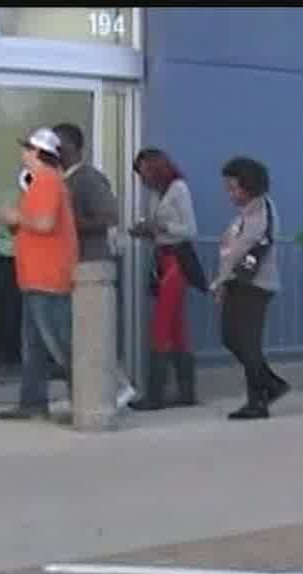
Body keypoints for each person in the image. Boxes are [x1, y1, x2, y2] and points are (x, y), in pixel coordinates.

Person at [51, 122, 137, 409]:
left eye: (58, 145)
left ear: (73, 147)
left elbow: (110, 216)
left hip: (91, 265)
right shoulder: (62, 180)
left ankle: (117, 387)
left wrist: (69, 224)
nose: (53, 150)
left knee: (91, 332)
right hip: (73, 265)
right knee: (75, 334)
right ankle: (84, 392)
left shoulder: (88, 179)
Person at [0, 128, 79, 422]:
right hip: (35, 276)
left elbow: (44, 223)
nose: (23, 154)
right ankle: (32, 401)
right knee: (33, 345)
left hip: (48, 277)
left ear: (37, 152)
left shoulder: (47, 181)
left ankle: (86, 397)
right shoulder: (41, 183)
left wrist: (14, 217)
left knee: (60, 343)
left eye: (26, 149)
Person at [127, 148, 206, 411]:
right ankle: (186, 391)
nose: (141, 178)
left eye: (143, 172)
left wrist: (158, 228)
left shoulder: (178, 189)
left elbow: (190, 230)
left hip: (176, 261)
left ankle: (155, 394)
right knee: (176, 328)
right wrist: (147, 231)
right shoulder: (158, 193)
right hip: (163, 258)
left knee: (161, 326)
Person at [212, 156, 289, 421]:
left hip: (254, 285)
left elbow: (242, 249)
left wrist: (221, 279)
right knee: (231, 338)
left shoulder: (261, 211)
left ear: (250, 186)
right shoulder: (245, 214)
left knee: (248, 343)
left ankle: (258, 400)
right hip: (238, 283)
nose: (230, 194)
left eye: (234, 188)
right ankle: (271, 385)